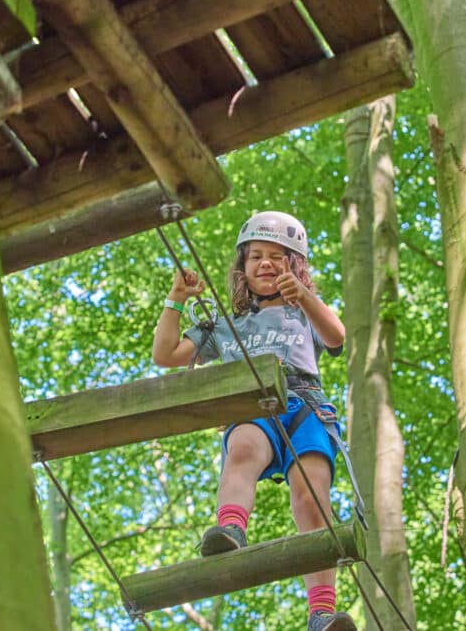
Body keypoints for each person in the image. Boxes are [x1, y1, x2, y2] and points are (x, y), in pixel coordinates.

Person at [152, 211, 356, 631]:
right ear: (242, 269)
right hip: (253, 405)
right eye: (256, 256)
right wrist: (176, 300)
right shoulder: (226, 327)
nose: (266, 263)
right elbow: (166, 354)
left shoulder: (306, 314)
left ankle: (320, 611)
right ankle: (230, 527)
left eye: (278, 257)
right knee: (243, 448)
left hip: (306, 406)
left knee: (312, 497)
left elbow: (336, 336)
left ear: (296, 266)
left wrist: (304, 296)